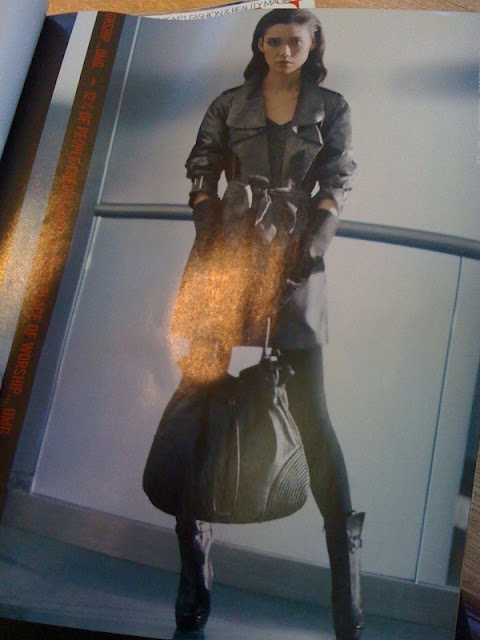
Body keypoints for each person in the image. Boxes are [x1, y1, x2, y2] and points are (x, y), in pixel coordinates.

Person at [144, 9, 364, 640]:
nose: (283, 51)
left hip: (296, 260)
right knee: (198, 403)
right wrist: (208, 228)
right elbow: (201, 166)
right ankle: (194, 574)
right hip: (226, 258)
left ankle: (346, 595)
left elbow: (338, 178)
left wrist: (312, 247)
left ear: (313, 44)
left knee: (314, 417)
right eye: (272, 41)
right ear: (259, 44)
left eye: (295, 41)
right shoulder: (228, 102)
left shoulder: (332, 107)